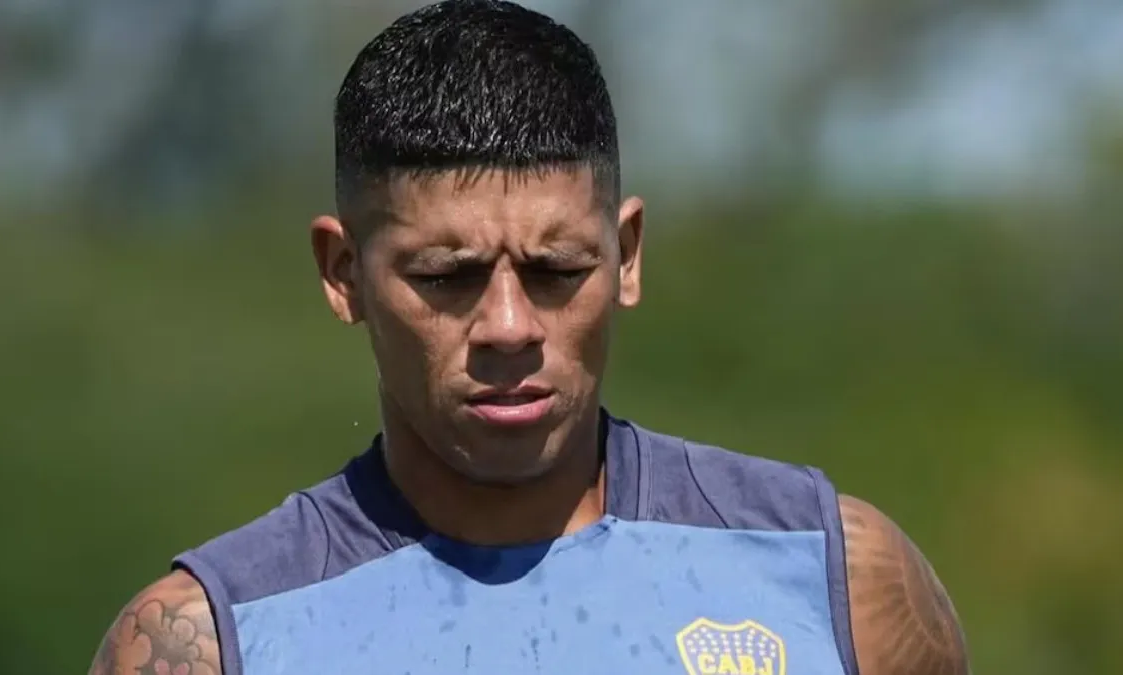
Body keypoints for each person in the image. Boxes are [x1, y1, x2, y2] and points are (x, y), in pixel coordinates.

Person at [88, 2, 972, 674]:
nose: (508, 327)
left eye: (557, 270)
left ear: (627, 256)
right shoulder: (216, 642)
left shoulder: (836, 582)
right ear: (343, 272)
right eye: (447, 276)